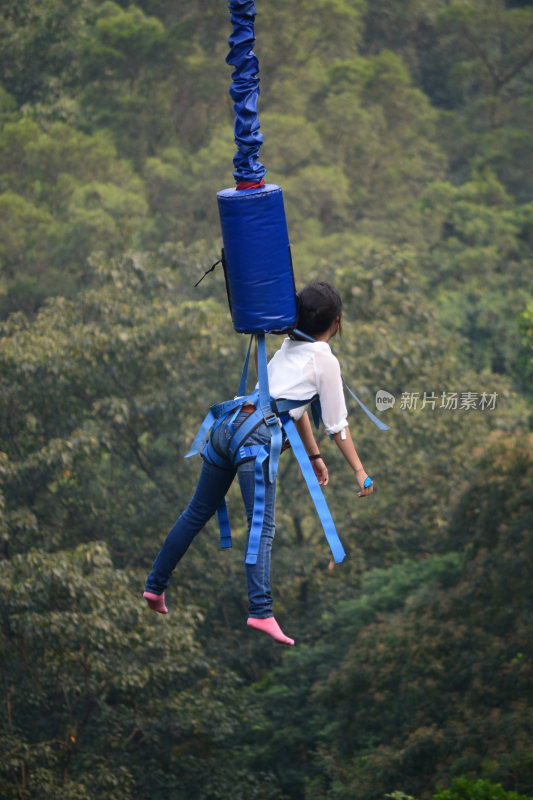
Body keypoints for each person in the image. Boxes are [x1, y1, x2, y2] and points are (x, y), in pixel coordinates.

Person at [143, 281, 373, 645]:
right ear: (336, 322)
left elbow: (292, 406)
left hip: (226, 426)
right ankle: (261, 611)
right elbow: (336, 425)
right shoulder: (325, 359)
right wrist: (359, 471)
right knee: (261, 527)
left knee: (197, 511)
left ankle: (155, 587)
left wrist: (313, 456)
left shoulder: (288, 345)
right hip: (255, 442)